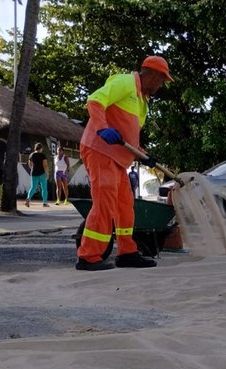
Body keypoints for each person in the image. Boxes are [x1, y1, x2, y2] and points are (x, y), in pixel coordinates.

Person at [76, 55, 173, 271]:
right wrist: (101, 127)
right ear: (152, 74)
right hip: (100, 150)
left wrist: (143, 155)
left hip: (118, 159)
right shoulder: (125, 82)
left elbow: (128, 140)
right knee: (104, 204)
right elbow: (95, 100)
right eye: (161, 80)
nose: (160, 85)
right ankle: (88, 256)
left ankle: (127, 252)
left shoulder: (141, 102)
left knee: (124, 206)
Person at [26, 143, 50, 207]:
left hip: (34, 173)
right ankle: (45, 203)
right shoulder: (42, 155)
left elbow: (29, 164)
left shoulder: (31, 155)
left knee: (33, 187)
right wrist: (47, 173)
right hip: (42, 173)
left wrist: (33, 169)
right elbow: (45, 165)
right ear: (41, 148)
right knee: (44, 188)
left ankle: (28, 198)